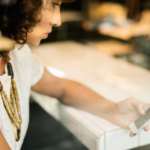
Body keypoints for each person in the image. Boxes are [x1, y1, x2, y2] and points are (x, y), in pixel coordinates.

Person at [0, 0, 149, 150]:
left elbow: (61, 87)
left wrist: (114, 110)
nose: (57, 21)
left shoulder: (18, 53)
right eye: (53, 4)